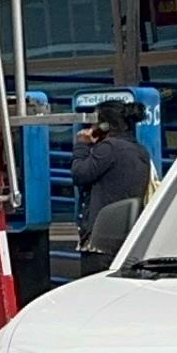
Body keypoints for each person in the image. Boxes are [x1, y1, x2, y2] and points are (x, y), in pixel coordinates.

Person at [71, 100, 153, 273]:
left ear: (105, 125)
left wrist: (82, 145)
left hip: (101, 239)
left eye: (95, 122)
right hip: (126, 235)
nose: (91, 127)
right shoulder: (139, 150)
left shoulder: (109, 147)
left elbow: (80, 173)